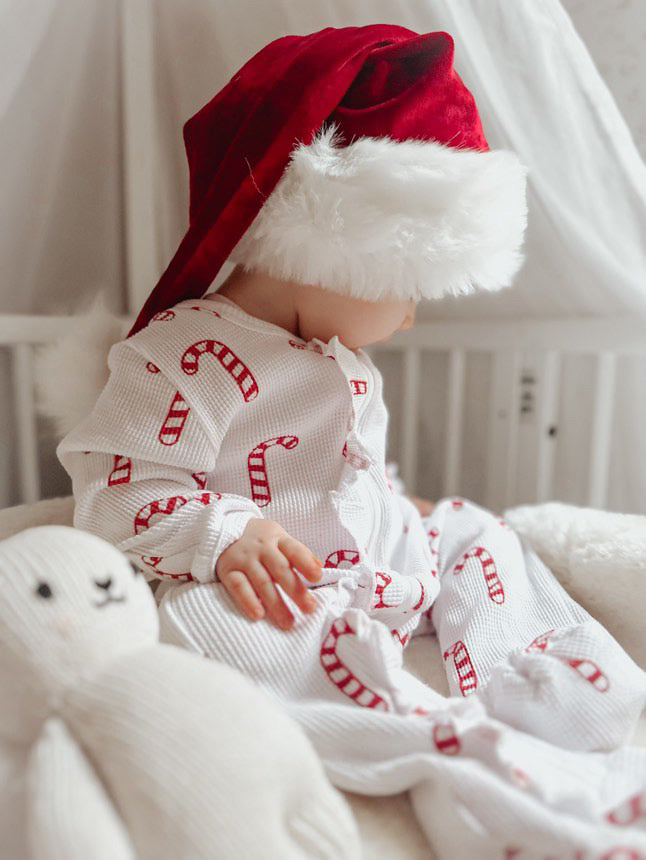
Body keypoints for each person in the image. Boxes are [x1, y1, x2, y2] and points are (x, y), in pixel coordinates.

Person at [58, 24, 646, 855]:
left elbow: (346, 470)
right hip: (276, 582)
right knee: (232, 625)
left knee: (477, 528)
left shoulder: (343, 359)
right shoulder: (187, 353)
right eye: (408, 289)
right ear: (327, 249)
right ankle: (442, 746)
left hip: (374, 563)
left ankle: (539, 677)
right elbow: (115, 487)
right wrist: (225, 534)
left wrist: (399, 506)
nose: (408, 316)